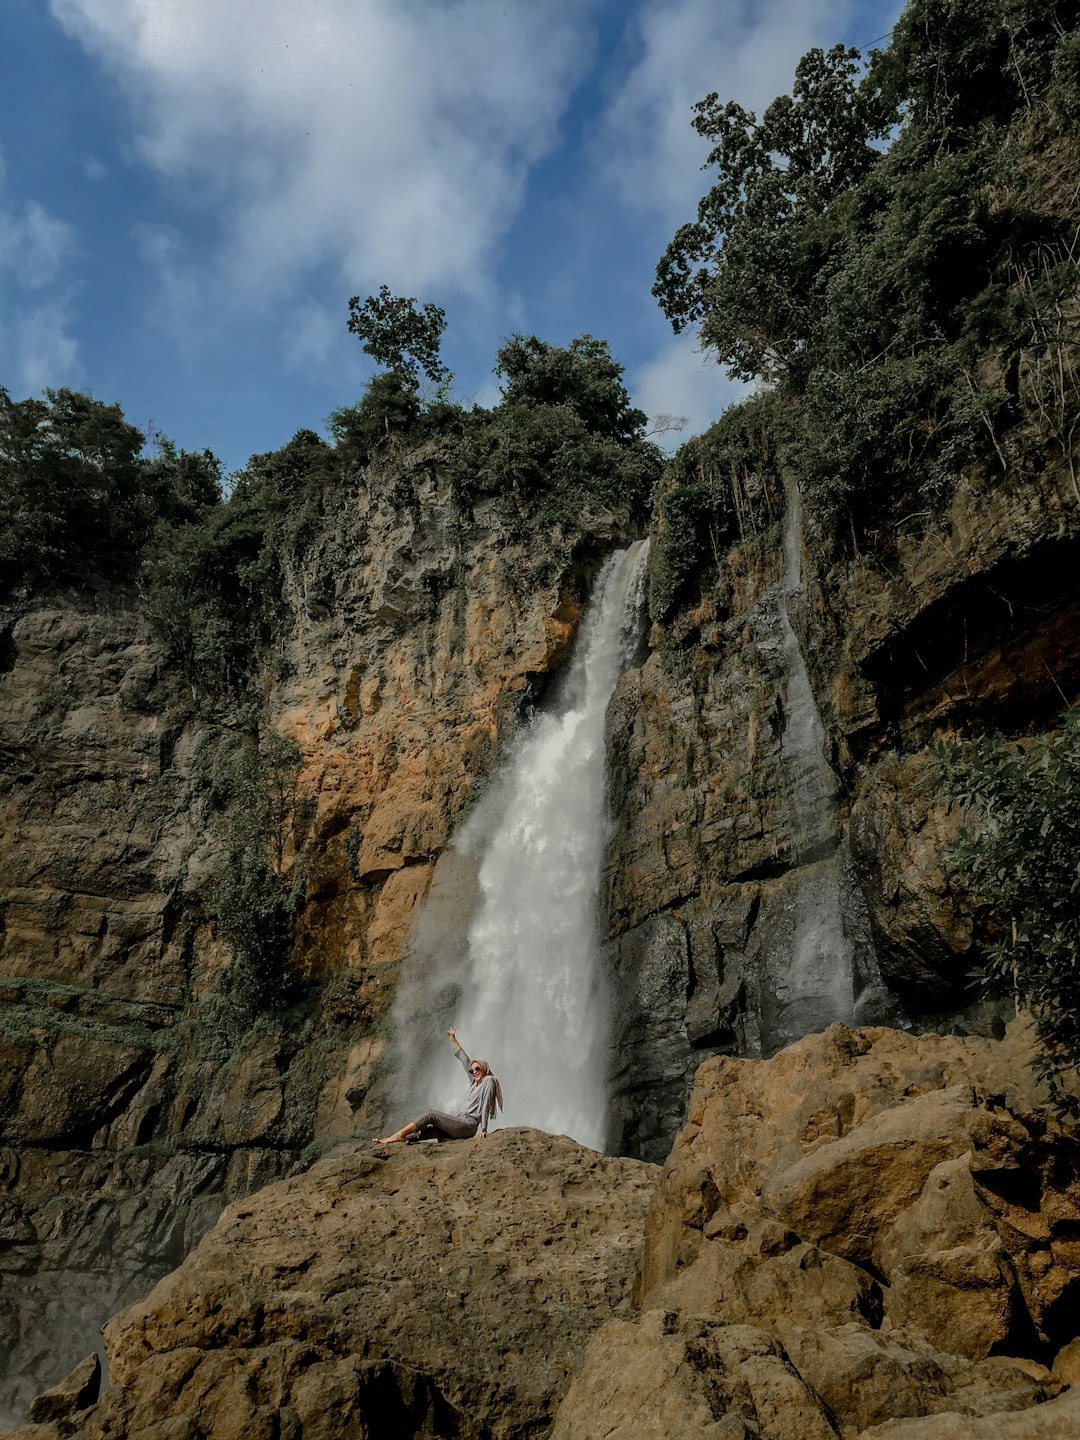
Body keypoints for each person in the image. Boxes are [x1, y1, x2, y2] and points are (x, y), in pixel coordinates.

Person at [373, 1027, 503, 1146]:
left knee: (431, 1115)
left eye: (477, 1068)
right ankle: (397, 1139)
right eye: (472, 1070)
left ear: (484, 1068)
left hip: (468, 1125)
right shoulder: (474, 1083)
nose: (474, 1072)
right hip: (460, 1121)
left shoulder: (489, 1081)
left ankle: (399, 1134)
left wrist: (484, 1130)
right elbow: (465, 1061)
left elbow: (486, 1105)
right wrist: (454, 1040)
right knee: (431, 1130)